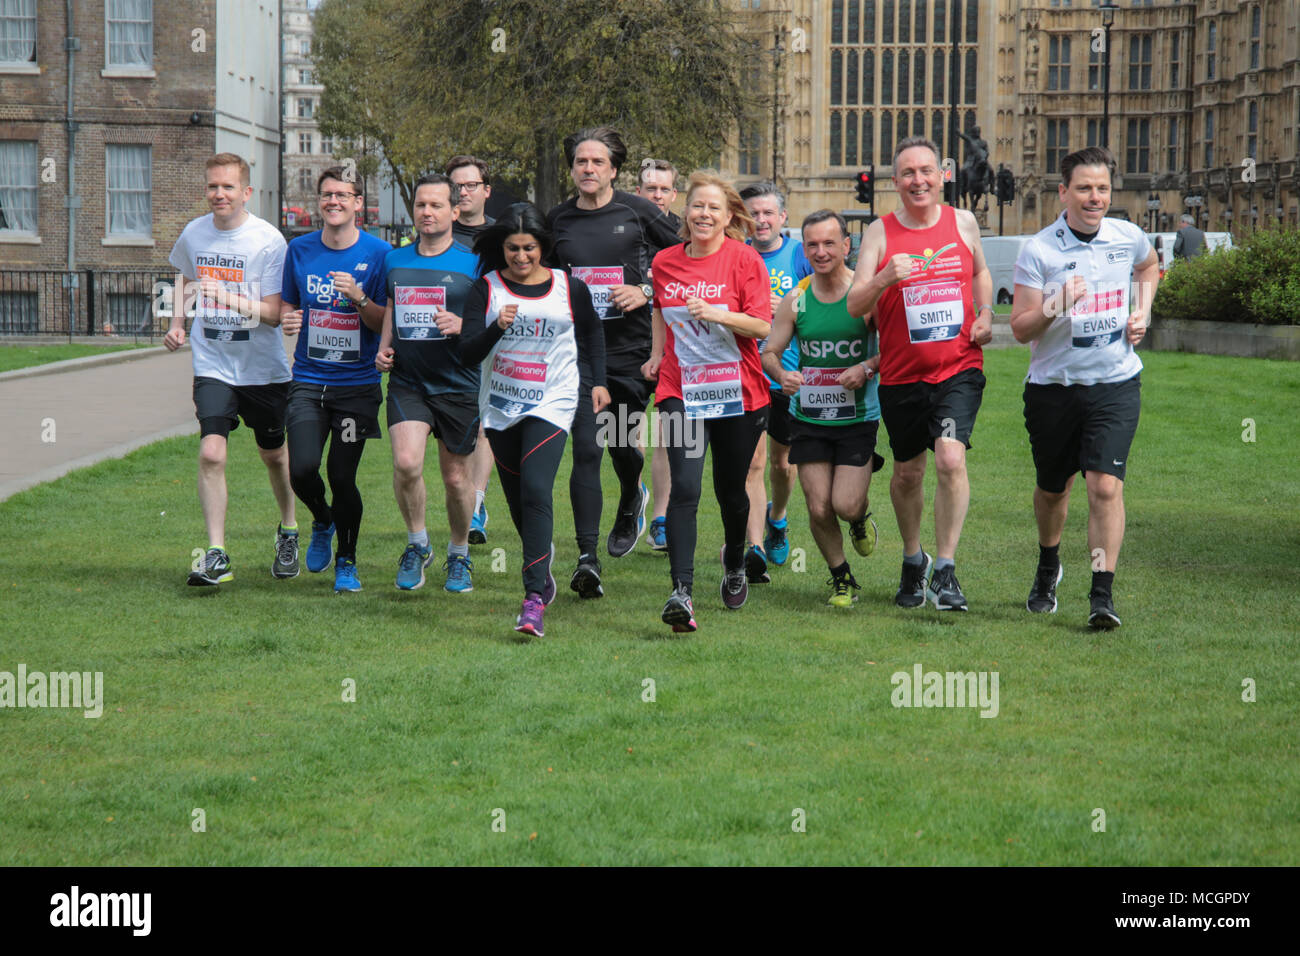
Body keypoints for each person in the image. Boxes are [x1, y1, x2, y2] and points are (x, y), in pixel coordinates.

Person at [1009, 146, 1159, 629]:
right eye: (1084, 188)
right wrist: (1055, 303)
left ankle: (1101, 594)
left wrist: (1144, 312)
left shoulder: (1127, 236)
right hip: (1054, 387)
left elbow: (1149, 265)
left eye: (1102, 189)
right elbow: (1019, 329)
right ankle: (1048, 565)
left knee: (1105, 487)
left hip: (1115, 383)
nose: (1095, 198)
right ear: (1063, 192)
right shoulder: (1040, 250)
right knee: (1054, 491)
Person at [847, 136, 994, 611]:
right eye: (908, 173)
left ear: (941, 175)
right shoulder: (878, 233)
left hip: (958, 368)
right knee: (908, 473)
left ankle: (946, 571)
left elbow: (980, 273)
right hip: (901, 376)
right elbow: (854, 305)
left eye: (927, 171)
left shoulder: (963, 222)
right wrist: (887, 275)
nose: (919, 180)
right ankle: (914, 559)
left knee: (951, 459)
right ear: (896, 182)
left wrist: (986, 313)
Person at [459, 204, 610, 637]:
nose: (521, 257)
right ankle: (541, 570)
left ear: (543, 247)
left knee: (537, 488)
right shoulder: (485, 289)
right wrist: (496, 328)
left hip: (553, 400)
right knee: (519, 500)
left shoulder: (568, 287)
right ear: (501, 248)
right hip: (502, 405)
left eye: (529, 248)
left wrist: (598, 381)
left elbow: (591, 333)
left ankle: (531, 601)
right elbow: (467, 352)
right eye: (512, 249)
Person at [546, 126, 681, 596]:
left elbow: (684, 257)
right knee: (587, 448)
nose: (588, 168)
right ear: (572, 169)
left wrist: (645, 290)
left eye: (597, 162)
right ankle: (587, 557)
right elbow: (538, 274)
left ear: (614, 170)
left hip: (631, 351)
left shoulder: (639, 211)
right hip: (578, 353)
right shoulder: (557, 220)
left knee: (621, 444)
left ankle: (630, 495)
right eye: (581, 161)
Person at [642, 171, 772, 633]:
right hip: (682, 392)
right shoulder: (665, 263)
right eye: (698, 206)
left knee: (730, 491)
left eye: (714, 208)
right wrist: (658, 354)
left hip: (740, 394)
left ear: (728, 215)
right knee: (686, 487)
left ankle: (735, 561)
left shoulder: (744, 261)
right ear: (686, 211)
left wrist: (719, 314)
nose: (704, 214)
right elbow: (660, 307)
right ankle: (682, 592)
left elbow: (761, 328)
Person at [165, 152, 297, 586]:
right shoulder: (194, 233)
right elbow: (185, 277)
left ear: (246, 192)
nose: (218, 194)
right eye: (212, 186)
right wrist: (179, 324)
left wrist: (227, 299)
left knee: (274, 455)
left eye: (227, 187)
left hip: (263, 370)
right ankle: (217, 553)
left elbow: (276, 314)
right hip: (213, 362)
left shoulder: (268, 240)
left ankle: (289, 529)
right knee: (211, 452)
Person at [763, 210, 885, 607]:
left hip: (857, 419)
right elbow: (770, 352)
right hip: (809, 418)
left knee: (845, 504)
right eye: (812, 244)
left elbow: (893, 347)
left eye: (829, 243)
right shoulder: (796, 299)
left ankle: (860, 519)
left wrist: (866, 367)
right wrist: (783, 375)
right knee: (817, 507)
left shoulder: (865, 297)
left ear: (846, 246)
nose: (820, 251)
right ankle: (842, 579)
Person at [279, 166, 391, 592]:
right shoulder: (300, 250)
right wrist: (289, 320)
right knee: (302, 469)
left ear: (358, 203)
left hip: (356, 387)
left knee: (342, 476)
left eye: (344, 195)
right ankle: (322, 520)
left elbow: (386, 321)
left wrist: (359, 297)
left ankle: (347, 560)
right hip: (308, 380)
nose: (334, 202)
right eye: (327, 195)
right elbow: (289, 307)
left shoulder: (379, 255)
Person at [374, 173, 481, 593]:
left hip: (458, 383)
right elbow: (390, 305)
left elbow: (495, 318)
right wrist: (383, 348)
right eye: (421, 205)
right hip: (409, 381)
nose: (427, 212)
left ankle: (459, 554)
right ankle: (417, 543)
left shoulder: (474, 262)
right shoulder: (395, 260)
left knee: (456, 479)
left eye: (437, 205)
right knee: (406, 463)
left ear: (455, 211)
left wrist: (463, 324)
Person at [740, 181, 812, 583]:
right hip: (745, 374)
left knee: (784, 465)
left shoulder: (800, 256)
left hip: (788, 375)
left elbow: (824, 302)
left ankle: (778, 520)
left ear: (783, 218)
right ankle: (754, 548)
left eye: (768, 213)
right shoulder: (737, 255)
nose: (761, 220)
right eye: (753, 213)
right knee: (752, 462)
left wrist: (787, 309)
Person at [446, 155, 498, 543]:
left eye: (470, 185)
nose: (463, 192)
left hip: (487, 345)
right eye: (457, 186)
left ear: (486, 190)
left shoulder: (500, 237)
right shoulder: (437, 230)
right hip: (440, 349)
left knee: (485, 425)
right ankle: (465, 497)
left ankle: (476, 505)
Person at [635, 157, 680, 552]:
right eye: (651, 188)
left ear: (674, 194)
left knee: (666, 437)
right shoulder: (624, 230)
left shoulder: (684, 236)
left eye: (664, 189)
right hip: (628, 345)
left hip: (672, 347)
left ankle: (660, 519)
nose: (657, 195)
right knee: (624, 434)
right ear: (639, 192)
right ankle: (635, 495)